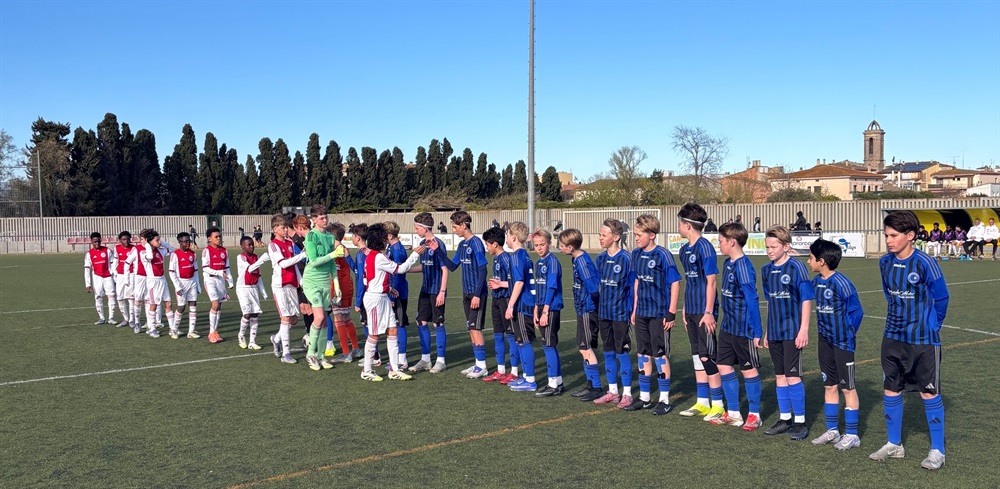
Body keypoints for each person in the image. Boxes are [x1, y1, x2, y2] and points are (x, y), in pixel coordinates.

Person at [870, 210, 949, 470]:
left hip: (923, 340)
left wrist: (934, 325)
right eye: (886, 235)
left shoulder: (925, 262)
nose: (888, 240)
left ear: (911, 235)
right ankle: (894, 444)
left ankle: (937, 450)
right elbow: (888, 294)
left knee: (928, 391)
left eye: (894, 235)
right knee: (891, 388)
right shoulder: (884, 262)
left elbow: (941, 297)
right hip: (892, 336)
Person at [807, 238, 864, 451]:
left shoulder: (841, 283)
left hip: (843, 343)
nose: (808, 262)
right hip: (824, 341)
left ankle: (852, 434)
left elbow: (857, 311)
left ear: (821, 261)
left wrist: (848, 333)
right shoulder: (816, 282)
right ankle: (832, 430)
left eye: (810, 258)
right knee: (829, 385)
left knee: (847, 387)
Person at [760, 226, 814, 439]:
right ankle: (785, 419)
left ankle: (800, 422)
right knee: (780, 376)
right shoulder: (766, 270)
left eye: (773, 247)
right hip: (774, 332)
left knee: (792, 376)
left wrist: (804, 329)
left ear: (786, 246)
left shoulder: (796, 267)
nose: (769, 251)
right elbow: (770, 302)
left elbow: (806, 299)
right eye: (767, 247)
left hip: (792, 331)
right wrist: (767, 331)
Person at [711, 221, 764, 431]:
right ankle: (733, 413)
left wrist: (757, 331)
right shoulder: (728, 263)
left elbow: (752, 299)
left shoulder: (743, 267)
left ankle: (754, 415)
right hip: (728, 326)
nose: (719, 245)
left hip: (744, 328)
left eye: (721, 241)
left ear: (732, 242)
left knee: (748, 370)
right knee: (723, 365)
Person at [628, 215, 681, 415]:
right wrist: (635, 309)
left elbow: (675, 282)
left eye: (639, 234)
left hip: (659, 314)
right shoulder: (635, 254)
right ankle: (644, 397)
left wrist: (671, 312)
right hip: (642, 312)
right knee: (642, 354)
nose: (636, 238)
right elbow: (637, 282)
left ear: (652, 235)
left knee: (660, 354)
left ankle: (664, 399)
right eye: (635, 234)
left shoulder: (663, 254)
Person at [676, 203, 725, 421]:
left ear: (687, 225)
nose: (678, 226)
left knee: (707, 356)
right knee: (697, 356)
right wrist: (685, 308)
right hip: (692, 309)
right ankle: (703, 402)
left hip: (705, 311)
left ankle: (718, 405)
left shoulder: (705, 248)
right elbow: (690, 282)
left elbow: (711, 282)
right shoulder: (684, 250)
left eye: (680, 223)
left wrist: (708, 311)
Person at [359, 223, 423, 382]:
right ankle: (367, 370)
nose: (386, 240)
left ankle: (394, 369)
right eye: (384, 237)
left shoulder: (373, 255)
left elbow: (375, 277)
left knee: (393, 330)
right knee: (374, 334)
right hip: (375, 299)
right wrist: (415, 255)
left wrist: (388, 289)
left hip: (382, 297)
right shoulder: (378, 257)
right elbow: (400, 269)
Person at [434, 211, 490, 378]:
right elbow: (452, 266)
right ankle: (477, 363)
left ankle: (482, 366)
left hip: (476, 293)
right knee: (470, 327)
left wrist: (477, 295)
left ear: (464, 225)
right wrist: (438, 251)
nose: (453, 230)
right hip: (466, 293)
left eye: (455, 227)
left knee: (475, 327)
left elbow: (483, 269)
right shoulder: (461, 245)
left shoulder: (476, 243)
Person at [592, 219, 635, 408]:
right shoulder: (600, 259)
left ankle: (627, 394)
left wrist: (632, 310)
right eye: (600, 235)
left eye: (604, 235)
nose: (600, 238)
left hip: (620, 314)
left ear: (616, 237)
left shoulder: (626, 258)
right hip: (604, 313)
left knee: (622, 352)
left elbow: (633, 287)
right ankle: (613, 391)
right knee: (608, 351)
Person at [557, 228, 602, 401]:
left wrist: (592, 309)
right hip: (582, 309)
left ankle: (596, 387)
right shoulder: (576, 259)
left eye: (562, 245)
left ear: (571, 247)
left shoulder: (582, 262)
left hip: (587, 310)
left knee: (585, 347)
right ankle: (590, 384)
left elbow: (594, 289)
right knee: (583, 348)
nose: (560, 247)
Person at [301, 204, 345, 372]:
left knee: (325, 321)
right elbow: (313, 261)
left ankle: (320, 356)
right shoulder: (311, 236)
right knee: (319, 317)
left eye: (326, 217)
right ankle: (311, 354)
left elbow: (332, 264)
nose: (325, 220)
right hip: (311, 281)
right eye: (321, 218)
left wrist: (337, 284)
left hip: (325, 282)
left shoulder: (329, 237)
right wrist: (333, 254)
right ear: (314, 219)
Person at [407, 213, 450, 373]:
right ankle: (425, 359)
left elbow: (445, 269)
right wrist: (406, 269)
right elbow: (423, 266)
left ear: (425, 229)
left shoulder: (438, 244)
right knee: (421, 321)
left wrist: (442, 292)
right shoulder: (421, 244)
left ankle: (441, 361)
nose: (415, 230)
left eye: (417, 228)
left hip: (437, 290)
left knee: (437, 323)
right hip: (425, 290)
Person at [268, 214, 308, 364]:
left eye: (286, 227)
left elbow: (294, 266)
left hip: (291, 284)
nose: (286, 230)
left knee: (294, 319)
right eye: (283, 227)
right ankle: (286, 353)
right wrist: (302, 255)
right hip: (280, 285)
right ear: (275, 229)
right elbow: (284, 263)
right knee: (285, 318)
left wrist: (301, 281)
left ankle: (276, 338)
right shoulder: (273, 245)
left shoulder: (290, 243)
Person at [504, 222, 539, 392]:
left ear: (513, 237)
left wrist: (510, 305)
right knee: (520, 341)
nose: (506, 238)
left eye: (507, 235)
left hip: (524, 304)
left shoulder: (517, 256)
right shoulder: (523, 254)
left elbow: (519, 282)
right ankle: (525, 376)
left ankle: (530, 380)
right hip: (524, 303)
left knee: (524, 342)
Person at [484, 226, 520, 383]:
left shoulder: (506, 258)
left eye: (487, 244)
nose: (487, 247)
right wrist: (494, 284)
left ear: (495, 244)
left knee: (510, 335)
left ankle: (514, 371)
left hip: (506, 300)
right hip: (496, 299)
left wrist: (500, 284)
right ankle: (500, 370)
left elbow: (515, 282)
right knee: (498, 334)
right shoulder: (496, 259)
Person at [531, 228, 564, 397]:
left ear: (549, 244)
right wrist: (536, 310)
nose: (539, 248)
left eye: (542, 244)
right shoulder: (538, 263)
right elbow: (538, 288)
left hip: (550, 308)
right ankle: (557, 382)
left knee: (548, 345)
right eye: (536, 245)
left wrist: (545, 311)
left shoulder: (552, 262)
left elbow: (551, 288)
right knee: (548, 344)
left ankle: (553, 384)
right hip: (541, 308)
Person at [326, 222, 360, 363]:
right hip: (348, 288)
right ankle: (356, 348)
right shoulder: (344, 248)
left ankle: (346, 353)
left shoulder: (336, 251)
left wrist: (334, 292)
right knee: (347, 319)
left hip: (338, 289)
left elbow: (336, 273)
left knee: (339, 320)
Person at [139, 229, 176, 338]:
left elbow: (173, 250)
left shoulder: (161, 250)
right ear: (149, 241)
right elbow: (150, 257)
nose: (159, 242)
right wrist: (147, 245)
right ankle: (152, 329)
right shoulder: (143, 253)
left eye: (159, 240)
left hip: (162, 280)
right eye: (157, 240)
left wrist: (162, 242)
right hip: (153, 282)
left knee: (168, 304)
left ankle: (173, 329)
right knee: (153, 305)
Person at [235, 236, 270, 350]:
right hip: (243, 288)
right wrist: (261, 260)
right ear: (242, 246)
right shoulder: (241, 257)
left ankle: (252, 341)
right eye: (248, 245)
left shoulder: (256, 257)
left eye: (252, 244)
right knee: (247, 314)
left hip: (253, 288)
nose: (251, 247)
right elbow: (249, 269)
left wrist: (263, 291)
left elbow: (258, 276)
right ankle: (241, 335)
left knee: (255, 314)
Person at [168, 232, 201, 339]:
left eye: (189, 241)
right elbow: (171, 272)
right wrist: (177, 286)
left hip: (192, 282)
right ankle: (173, 329)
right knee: (181, 307)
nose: (188, 243)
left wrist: (198, 285)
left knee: (193, 305)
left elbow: (196, 270)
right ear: (179, 242)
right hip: (181, 283)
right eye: (185, 241)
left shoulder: (193, 254)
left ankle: (191, 331)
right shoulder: (175, 254)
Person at [84, 232, 118, 325]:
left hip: (108, 277)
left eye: (99, 241)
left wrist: (115, 278)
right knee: (98, 297)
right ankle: (102, 318)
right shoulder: (89, 254)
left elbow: (113, 265)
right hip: (97, 278)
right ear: (91, 241)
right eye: (95, 242)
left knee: (111, 296)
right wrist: (88, 284)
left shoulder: (107, 251)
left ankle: (111, 318)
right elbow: (87, 270)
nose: (97, 243)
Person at [124, 229, 151, 334]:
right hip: (139, 277)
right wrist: (126, 278)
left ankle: (150, 323)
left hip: (151, 278)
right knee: (138, 300)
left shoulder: (152, 248)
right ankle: (137, 323)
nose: (142, 241)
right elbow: (127, 262)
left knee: (149, 301)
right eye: (141, 239)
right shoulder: (136, 249)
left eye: (144, 239)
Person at [112, 231, 134, 328]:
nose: (126, 241)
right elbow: (115, 261)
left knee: (131, 298)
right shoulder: (117, 248)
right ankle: (126, 319)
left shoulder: (134, 248)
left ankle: (132, 320)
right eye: (124, 239)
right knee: (119, 297)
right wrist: (115, 273)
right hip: (120, 275)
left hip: (131, 275)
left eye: (128, 239)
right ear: (120, 240)